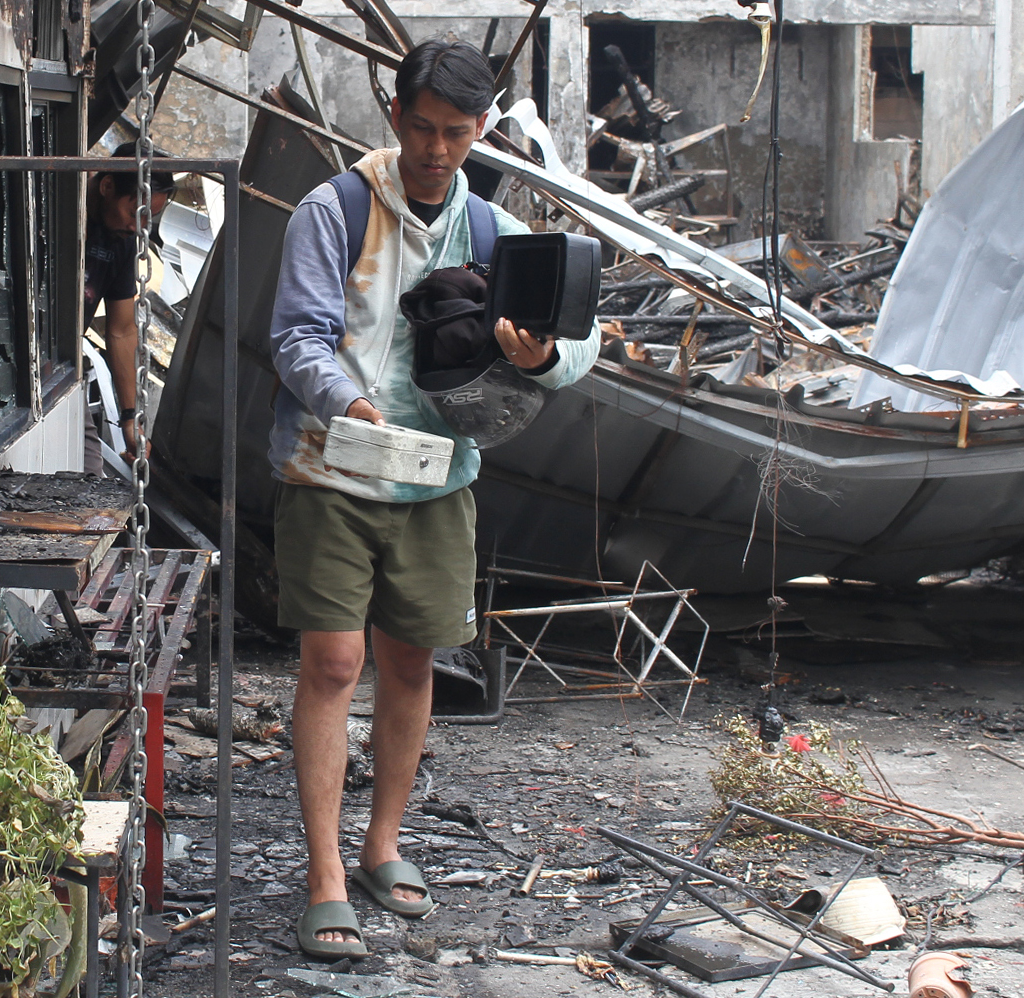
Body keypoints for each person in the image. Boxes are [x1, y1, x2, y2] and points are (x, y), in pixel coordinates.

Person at [266, 40, 598, 958]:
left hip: (439, 477)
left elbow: (581, 340)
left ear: (481, 129)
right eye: (422, 129)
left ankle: (382, 846)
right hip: (331, 467)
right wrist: (351, 404)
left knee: (411, 667)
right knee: (333, 664)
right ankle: (325, 873)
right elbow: (294, 337)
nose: (436, 150)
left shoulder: (494, 229)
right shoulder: (333, 210)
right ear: (395, 116)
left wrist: (542, 358)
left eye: (456, 133)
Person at [84, 143, 174, 473]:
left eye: (150, 218)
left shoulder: (123, 241)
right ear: (107, 186)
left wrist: (129, 417)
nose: (138, 227)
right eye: (135, 212)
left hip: (62, 376)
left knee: (88, 478)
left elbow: (122, 330)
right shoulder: (57, 207)